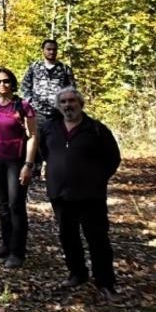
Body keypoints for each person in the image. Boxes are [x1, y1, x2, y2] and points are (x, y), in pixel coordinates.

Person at [39, 87, 121, 300]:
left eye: (72, 101)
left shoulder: (96, 129)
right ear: (59, 105)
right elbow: (44, 153)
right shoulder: (50, 128)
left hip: (90, 195)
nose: (68, 105)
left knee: (97, 238)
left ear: (81, 104)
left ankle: (105, 282)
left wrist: (96, 179)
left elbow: (113, 159)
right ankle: (77, 273)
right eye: (63, 102)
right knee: (68, 236)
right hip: (60, 193)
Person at [0, 68, 37, 269]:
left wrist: (28, 165)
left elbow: (33, 136)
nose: (1, 85)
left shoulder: (23, 106)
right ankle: (6, 244)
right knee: (3, 205)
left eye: (5, 81)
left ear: (12, 83)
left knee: (16, 205)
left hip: (16, 160)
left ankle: (17, 251)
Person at [21, 39, 76, 124]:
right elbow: (25, 86)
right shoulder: (35, 67)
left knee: (55, 137)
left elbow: (71, 90)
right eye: (49, 49)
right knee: (37, 136)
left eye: (54, 49)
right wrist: (30, 103)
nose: (52, 52)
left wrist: (65, 106)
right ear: (43, 50)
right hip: (37, 113)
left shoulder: (64, 69)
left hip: (58, 114)